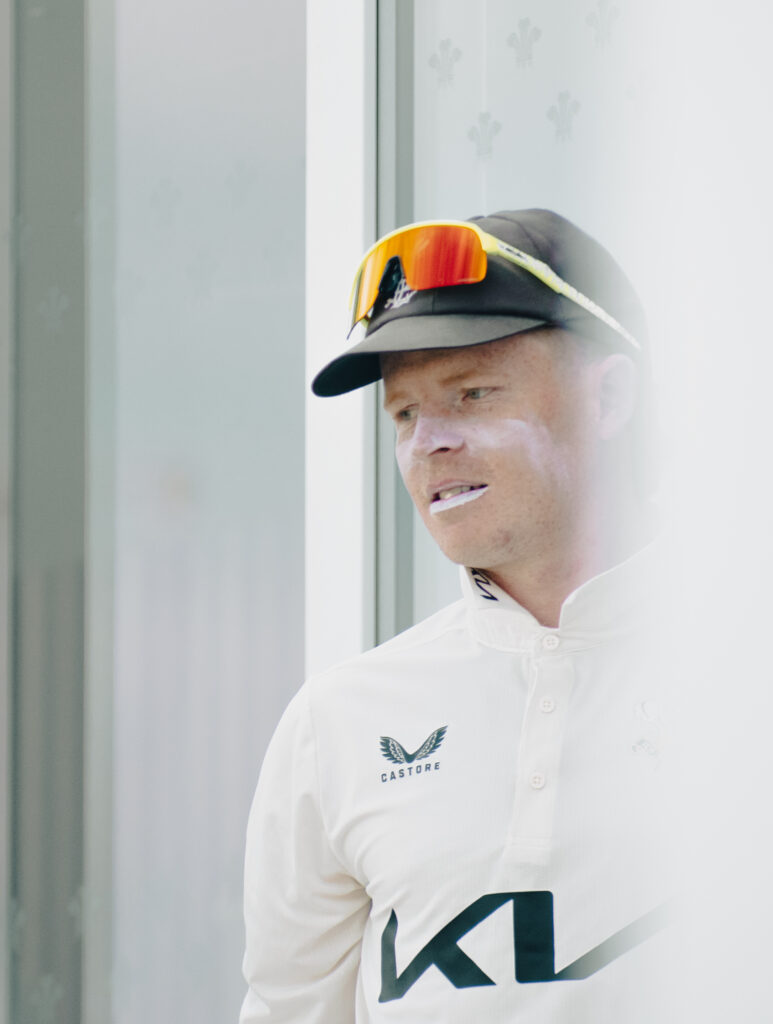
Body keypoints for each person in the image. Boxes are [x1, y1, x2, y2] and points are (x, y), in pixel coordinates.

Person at [239, 209, 673, 1023]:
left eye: (471, 394)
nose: (427, 443)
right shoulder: (337, 722)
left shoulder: (772, 670)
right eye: (403, 414)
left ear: (609, 396)